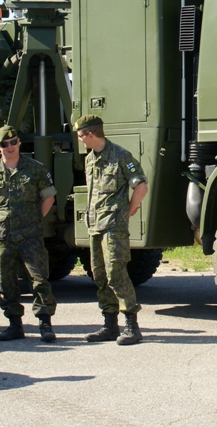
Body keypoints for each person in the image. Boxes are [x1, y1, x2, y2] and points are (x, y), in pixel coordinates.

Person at [0, 126, 57, 342]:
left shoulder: (35, 169)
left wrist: (33, 218)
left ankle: (44, 323)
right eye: (5, 144)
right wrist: (3, 223)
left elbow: (48, 198)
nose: (10, 147)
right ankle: (14, 324)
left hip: (30, 236)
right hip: (5, 238)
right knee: (6, 282)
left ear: (19, 142)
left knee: (39, 279)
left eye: (13, 142)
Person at [75, 115, 148, 346]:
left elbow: (141, 186)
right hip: (95, 226)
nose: (80, 141)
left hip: (113, 228)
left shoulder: (120, 156)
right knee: (100, 275)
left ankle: (131, 327)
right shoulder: (90, 160)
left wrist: (128, 210)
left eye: (80, 136)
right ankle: (109, 324)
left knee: (116, 273)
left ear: (90, 134)